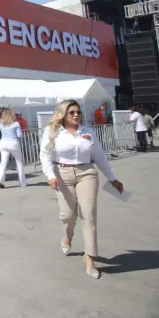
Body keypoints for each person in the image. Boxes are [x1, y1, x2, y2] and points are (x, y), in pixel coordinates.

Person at [39, 100, 124, 280]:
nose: (76, 115)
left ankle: (89, 257)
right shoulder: (52, 132)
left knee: (89, 214)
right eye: (72, 112)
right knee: (68, 215)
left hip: (87, 173)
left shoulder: (88, 132)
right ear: (63, 114)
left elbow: (100, 157)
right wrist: (50, 176)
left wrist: (112, 179)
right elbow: (45, 155)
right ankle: (67, 236)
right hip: (62, 173)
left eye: (78, 112)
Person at [0, 109, 27, 189]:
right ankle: (22, 182)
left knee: (3, 162)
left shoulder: (0, 123)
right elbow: (19, 135)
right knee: (19, 162)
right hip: (13, 143)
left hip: (3, 143)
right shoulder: (16, 123)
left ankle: (0, 180)